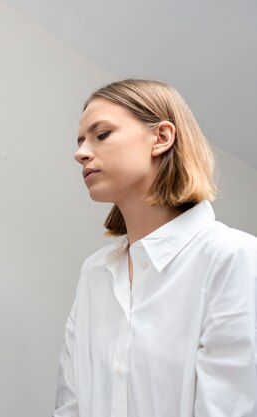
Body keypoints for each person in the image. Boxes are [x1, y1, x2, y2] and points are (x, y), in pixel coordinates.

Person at [55, 79, 257, 417]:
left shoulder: (233, 259)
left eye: (101, 134)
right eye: (80, 142)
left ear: (161, 137)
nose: (80, 153)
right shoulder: (95, 273)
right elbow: (70, 406)